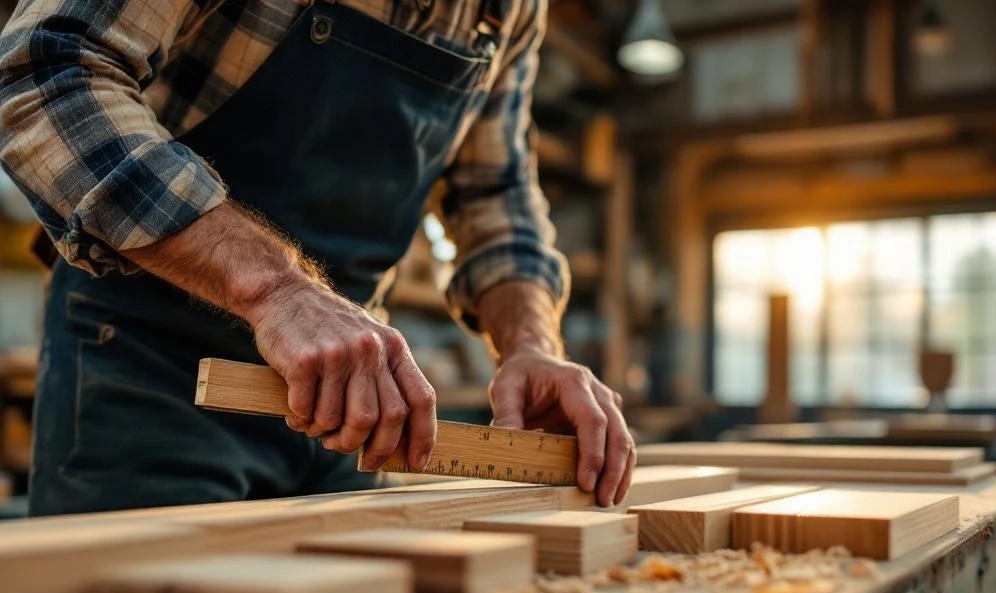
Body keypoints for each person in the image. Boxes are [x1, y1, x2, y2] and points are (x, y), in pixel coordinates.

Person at [0, 0, 635, 516]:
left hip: (351, 405)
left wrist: (531, 345)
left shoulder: (511, 9)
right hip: (143, 379)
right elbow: (46, 69)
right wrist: (280, 292)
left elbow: (497, 196)